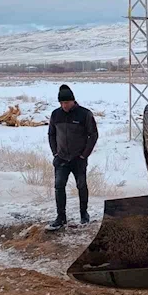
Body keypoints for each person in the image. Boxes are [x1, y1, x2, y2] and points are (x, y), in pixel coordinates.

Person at [46, 84, 99, 231]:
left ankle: (84, 214)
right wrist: (55, 153)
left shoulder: (85, 114)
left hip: (78, 158)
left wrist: (84, 155)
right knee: (59, 185)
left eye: (67, 103)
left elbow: (93, 135)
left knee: (81, 185)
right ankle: (61, 217)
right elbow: (51, 134)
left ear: (73, 101)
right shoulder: (55, 115)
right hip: (61, 158)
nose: (64, 106)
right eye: (62, 103)